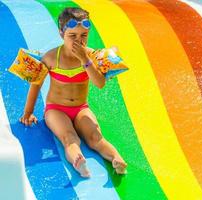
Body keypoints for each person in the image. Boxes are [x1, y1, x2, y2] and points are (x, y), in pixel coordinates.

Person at [19, 7, 127, 177]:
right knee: (69, 138)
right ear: (61, 34)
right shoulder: (51, 57)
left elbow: (99, 83)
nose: (79, 41)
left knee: (95, 137)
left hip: (81, 108)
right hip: (56, 109)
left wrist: (85, 59)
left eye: (83, 35)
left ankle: (117, 159)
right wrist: (28, 112)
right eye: (72, 36)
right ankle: (79, 162)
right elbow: (36, 85)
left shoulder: (91, 56)